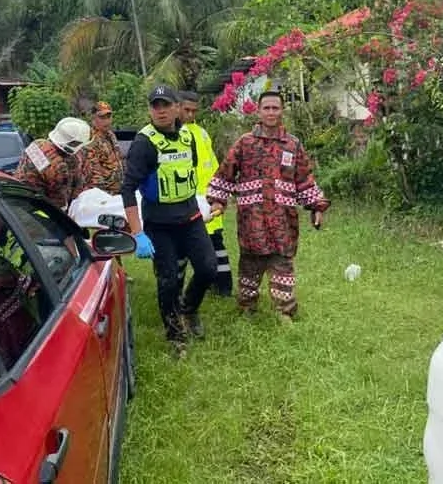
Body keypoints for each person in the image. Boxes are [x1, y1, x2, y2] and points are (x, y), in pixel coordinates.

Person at [207, 90, 330, 323]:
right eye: (267, 108)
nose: (271, 112)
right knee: (249, 266)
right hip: (251, 221)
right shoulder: (245, 143)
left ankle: (285, 312)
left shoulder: (292, 145)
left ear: (282, 111)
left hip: (283, 222)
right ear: (259, 111)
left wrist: (317, 207)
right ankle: (246, 309)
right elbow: (226, 173)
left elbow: (304, 180)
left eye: (275, 108)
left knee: (283, 263)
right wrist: (217, 201)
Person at [121, 85, 218, 358]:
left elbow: (191, 172)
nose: (160, 111)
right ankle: (176, 335)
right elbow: (128, 189)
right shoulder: (144, 143)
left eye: (165, 105)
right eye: (155, 106)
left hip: (190, 218)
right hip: (159, 225)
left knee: (209, 269)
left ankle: (189, 309)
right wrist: (138, 233)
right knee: (168, 281)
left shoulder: (188, 137)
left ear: (177, 107)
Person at [176, 90, 233, 296]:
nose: (191, 115)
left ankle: (223, 286)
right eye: (186, 110)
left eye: (194, 111)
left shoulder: (201, 133)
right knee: (186, 247)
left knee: (216, 243)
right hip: (187, 201)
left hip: (207, 199)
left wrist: (219, 194)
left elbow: (214, 166)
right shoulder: (172, 134)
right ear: (177, 107)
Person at [11, 117, 91, 210]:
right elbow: (60, 205)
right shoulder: (59, 169)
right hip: (36, 207)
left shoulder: (38, 143)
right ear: (73, 145)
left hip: (16, 198)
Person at [75, 101, 125, 197]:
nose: (107, 121)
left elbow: (118, 160)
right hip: (104, 194)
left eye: (108, 117)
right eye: (102, 117)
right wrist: (104, 196)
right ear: (93, 118)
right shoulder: (90, 140)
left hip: (118, 190)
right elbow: (94, 175)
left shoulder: (110, 135)